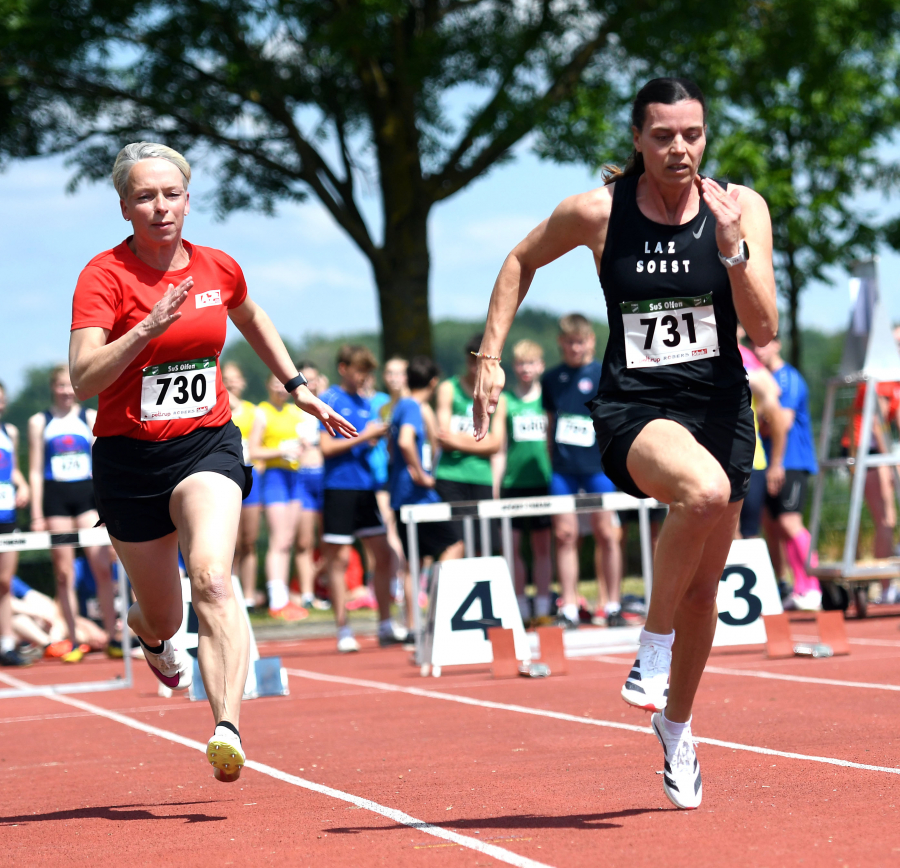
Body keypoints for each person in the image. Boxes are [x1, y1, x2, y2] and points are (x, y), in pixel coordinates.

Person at [472, 78, 777, 810]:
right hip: (637, 407)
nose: (681, 148)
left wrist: (733, 249)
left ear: (707, 136)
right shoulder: (597, 211)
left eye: (693, 134)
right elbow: (520, 260)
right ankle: (651, 647)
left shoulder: (741, 207)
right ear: (638, 139)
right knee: (698, 492)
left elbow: (762, 330)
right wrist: (489, 356)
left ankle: (676, 725)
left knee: (706, 589)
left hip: (721, 407)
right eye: (665, 135)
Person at [68, 141, 354, 782]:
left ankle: (226, 725)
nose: (160, 206)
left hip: (207, 443)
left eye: (171, 194)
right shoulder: (104, 277)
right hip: (130, 457)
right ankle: (147, 628)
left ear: (188, 200)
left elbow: (250, 314)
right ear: (124, 207)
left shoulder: (217, 267)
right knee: (165, 613)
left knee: (214, 579)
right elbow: (83, 376)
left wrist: (297, 389)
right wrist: (142, 330)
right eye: (145, 196)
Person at [28, 364, 119, 662]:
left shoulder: (88, 417)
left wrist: (108, 505)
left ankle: (111, 635)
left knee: (102, 566)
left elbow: (102, 464)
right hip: (56, 498)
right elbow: (35, 471)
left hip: (86, 497)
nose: (67, 392)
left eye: (70, 386)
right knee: (64, 572)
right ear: (53, 388)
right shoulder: (39, 423)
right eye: (60, 386)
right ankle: (74, 638)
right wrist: (38, 514)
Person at [318, 345, 404, 652]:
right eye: (358, 371)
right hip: (339, 487)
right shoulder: (331, 399)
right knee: (338, 559)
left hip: (367, 486)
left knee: (384, 555)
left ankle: (385, 624)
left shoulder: (369, 402)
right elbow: (326, 448)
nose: (363, 378)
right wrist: (365, 436)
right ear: (343, 369)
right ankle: (343, 628)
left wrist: (379, 438)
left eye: (367, 373)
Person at [542, 315, 623, 629]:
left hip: (597, 467)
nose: (575, 347)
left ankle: (613, 603)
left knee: (607, 533)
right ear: (561, 343)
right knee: (564, 536)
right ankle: (570, 607)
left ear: (590, 341)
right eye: (569, 342)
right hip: (564, 470)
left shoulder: (604, 372)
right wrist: (553, 461)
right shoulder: (551, 379)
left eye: (580, 341)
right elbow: (551, 424)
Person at [749, 336, 821, 609]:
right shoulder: (762, 378)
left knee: (791, 524)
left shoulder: (787, 378)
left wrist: (764, 421)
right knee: (775, 527)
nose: (759, 350)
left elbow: (783, 421)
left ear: (778, 344)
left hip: (791, 462)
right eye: (755, 345)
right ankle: (794, 585)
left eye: (764, 344)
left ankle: (812, 586)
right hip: (770, 463)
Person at [390, 356, 464, 580]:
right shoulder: (413, 406)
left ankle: (413, 617)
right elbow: (404, 441)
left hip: (400, 493)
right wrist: (421, 474)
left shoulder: (399, 406)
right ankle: (440, 604)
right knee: (454, 546)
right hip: (417, 495)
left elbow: (391, 448)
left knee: (414, 562)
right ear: (433, 382)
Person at [497, 340, 553, 624]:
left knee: (543, 546)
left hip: (543, 480)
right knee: (513, 546)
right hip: (513, 483)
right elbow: (501, 446)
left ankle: (543, 607)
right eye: (520, 363)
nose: (525, 369)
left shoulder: (547, 398)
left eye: (531, 363)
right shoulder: (507, 400)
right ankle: (519, 606)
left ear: (540, 366)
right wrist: (497, 486)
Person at [435, 334, 507, 549]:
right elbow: (442, 437)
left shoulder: (498, 398)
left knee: (486, 544)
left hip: (481, 477)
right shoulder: (448, 389)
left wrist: (457, 440)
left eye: (483, 365)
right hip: (450, 476)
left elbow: (496, 445)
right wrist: (481, 441)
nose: (478, 370)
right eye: (473, 364)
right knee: (455, 543)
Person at [248, 374, 309, 621]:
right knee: (278, 539)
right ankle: (276, 599)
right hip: (274, 478)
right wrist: (281, 450)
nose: (281, 389)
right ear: (268, 386)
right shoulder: (262, 412)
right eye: (275, 384)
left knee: (288, 539)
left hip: (295, 478)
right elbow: (253, 450)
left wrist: (302, 447)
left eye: (284, 385)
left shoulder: (295, 413)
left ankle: (282, 597)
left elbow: (302, 446)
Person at [736, 339, 788, 548]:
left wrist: (777, 463)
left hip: (750, 462)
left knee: (749, 533)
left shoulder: (745, 358)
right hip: (714, 462)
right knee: (723, 533)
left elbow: (774, 401)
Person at [222, 362, 263, 611]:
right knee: (230, 542)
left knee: (249, 540)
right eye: (225, 378)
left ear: (243, 381)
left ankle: (248, 596)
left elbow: (256, 449)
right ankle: (230, 595)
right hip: (225, 477)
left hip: (250, 476)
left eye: (235, 378)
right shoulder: (216, 407)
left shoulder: (254, 411)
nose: (230, 382)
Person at [291, 360, 328, 611]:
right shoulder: (291, 411)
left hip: (325, 478)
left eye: (313, 379)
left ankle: (319, 582)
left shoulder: (327, 405)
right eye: (305, 379)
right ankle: (306, 594)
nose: (310, 384)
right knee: (304, 542)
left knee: (330, 541)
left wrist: (324, 393)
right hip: (302, 479)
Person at [0, 380, 31, 666]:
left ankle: (7, 643)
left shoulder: (9, 432)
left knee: (4, 583)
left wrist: (23, 487)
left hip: (7, 516)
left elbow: (15, 471)